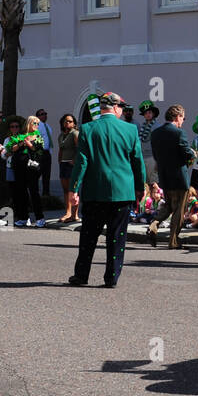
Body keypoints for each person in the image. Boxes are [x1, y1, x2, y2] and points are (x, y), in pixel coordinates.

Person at [68, 92, 144, 288]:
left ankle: (81, 275)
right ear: (116, 107)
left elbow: (82, 162)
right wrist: (139, 188)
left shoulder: (87, 128)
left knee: (88, 236)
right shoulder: (130, 130)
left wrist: (74, 189)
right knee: (117, 237)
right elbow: (137, 162)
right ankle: (111, 277)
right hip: (122, 190)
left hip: (95, 191)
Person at [147, 104, 197, 249]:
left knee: (168, 206)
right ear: (177, 117)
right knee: (179, 210)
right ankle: (173, 241)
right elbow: (185, 152)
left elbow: (156, 155)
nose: (183, 120)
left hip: (164, 176)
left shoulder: (156, 133)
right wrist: (192, 154)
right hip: (179, 177)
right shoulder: (179, 133)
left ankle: (154, 224)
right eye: (183, 117)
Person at [57, 113, 81, 223]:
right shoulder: (61, 135)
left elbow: (80, 148)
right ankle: (68, 212)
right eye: (66, 121)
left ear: (74, 123)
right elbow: (61, 150)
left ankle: (75, 215)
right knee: (65, 190)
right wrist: (59, 161)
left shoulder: (75, 133)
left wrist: (75, 160)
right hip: (63, 164)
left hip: (72, 165)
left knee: (73, 190)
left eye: (70, 121)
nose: (68, 123)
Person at [137, 100, 161, 186]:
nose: (148, 115)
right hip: (143, 156)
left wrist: (158, 161)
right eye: (145, 113)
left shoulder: (157, 126)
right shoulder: (142, 127)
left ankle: (156, 199)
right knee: (145, 182)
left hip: (152, 157)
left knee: (154, 182)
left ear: (153, 113)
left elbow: (159, 145)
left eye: (149, 112)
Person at [34, 108, 55, 197]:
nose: (44, 115)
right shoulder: (37, 126)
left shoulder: (48, 127)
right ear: (37, 117)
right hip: (40, 152)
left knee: (47, 175)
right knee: (37, 174)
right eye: (42, 114)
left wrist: (50, 152)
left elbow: (49, 140)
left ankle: (46, 194)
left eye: (45, 113)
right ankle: (35, 193)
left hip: (47, 153)